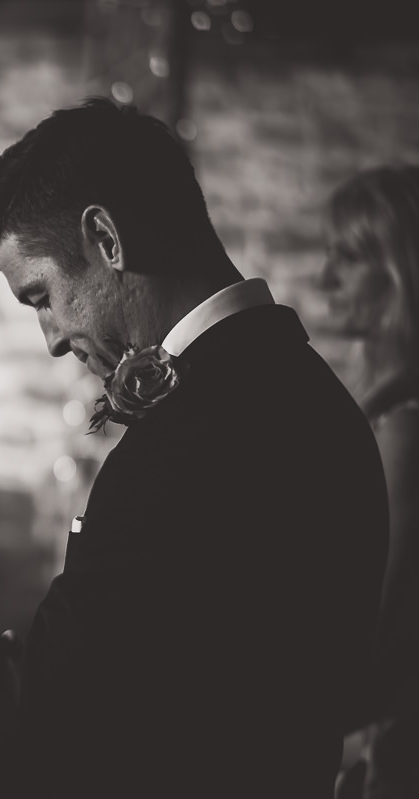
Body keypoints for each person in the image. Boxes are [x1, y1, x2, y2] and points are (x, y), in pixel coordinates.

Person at [0, 98, 387, 798]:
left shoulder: (184, 445)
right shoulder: (318, 398)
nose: (49, 338)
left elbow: (41, 734)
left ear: (106, 238)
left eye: (41, 294)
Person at [320, 165, 419, 799]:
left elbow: (377, 627)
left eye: (348, 258)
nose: (325, 279)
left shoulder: (404, 426)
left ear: (401, 273)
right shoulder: (374, 407)